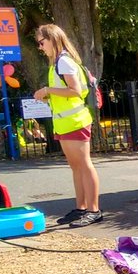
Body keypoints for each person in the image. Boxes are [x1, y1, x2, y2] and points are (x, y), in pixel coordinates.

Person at [33, 24, 102, 227]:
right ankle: (81, 208)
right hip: (65, 122)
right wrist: (47, 98)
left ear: (52, 39)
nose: (39, 47)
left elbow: (75, 90)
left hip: (75, 121)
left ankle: (93, 209)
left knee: (84, 165)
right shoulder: (58, 63)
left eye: (41, 42)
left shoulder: (64, 62)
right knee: (76, 167)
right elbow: (66, 94)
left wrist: (47, 90)